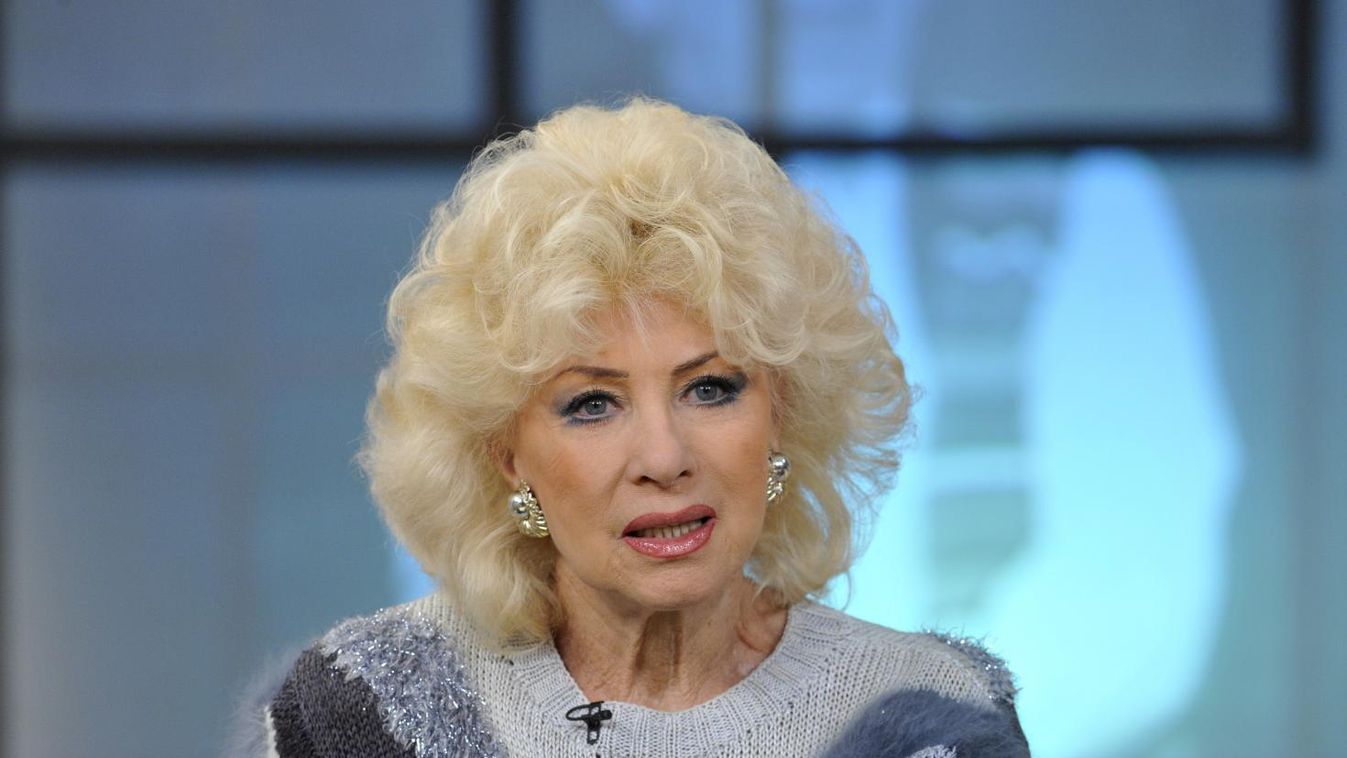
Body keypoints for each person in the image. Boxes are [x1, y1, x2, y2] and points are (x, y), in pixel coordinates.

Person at [239, 98, 1029, 757]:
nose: (662, 456)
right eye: (592, 404)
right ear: (506, 452)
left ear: (782, 413)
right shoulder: (363, 713)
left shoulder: (931, 716)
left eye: (710, 389)